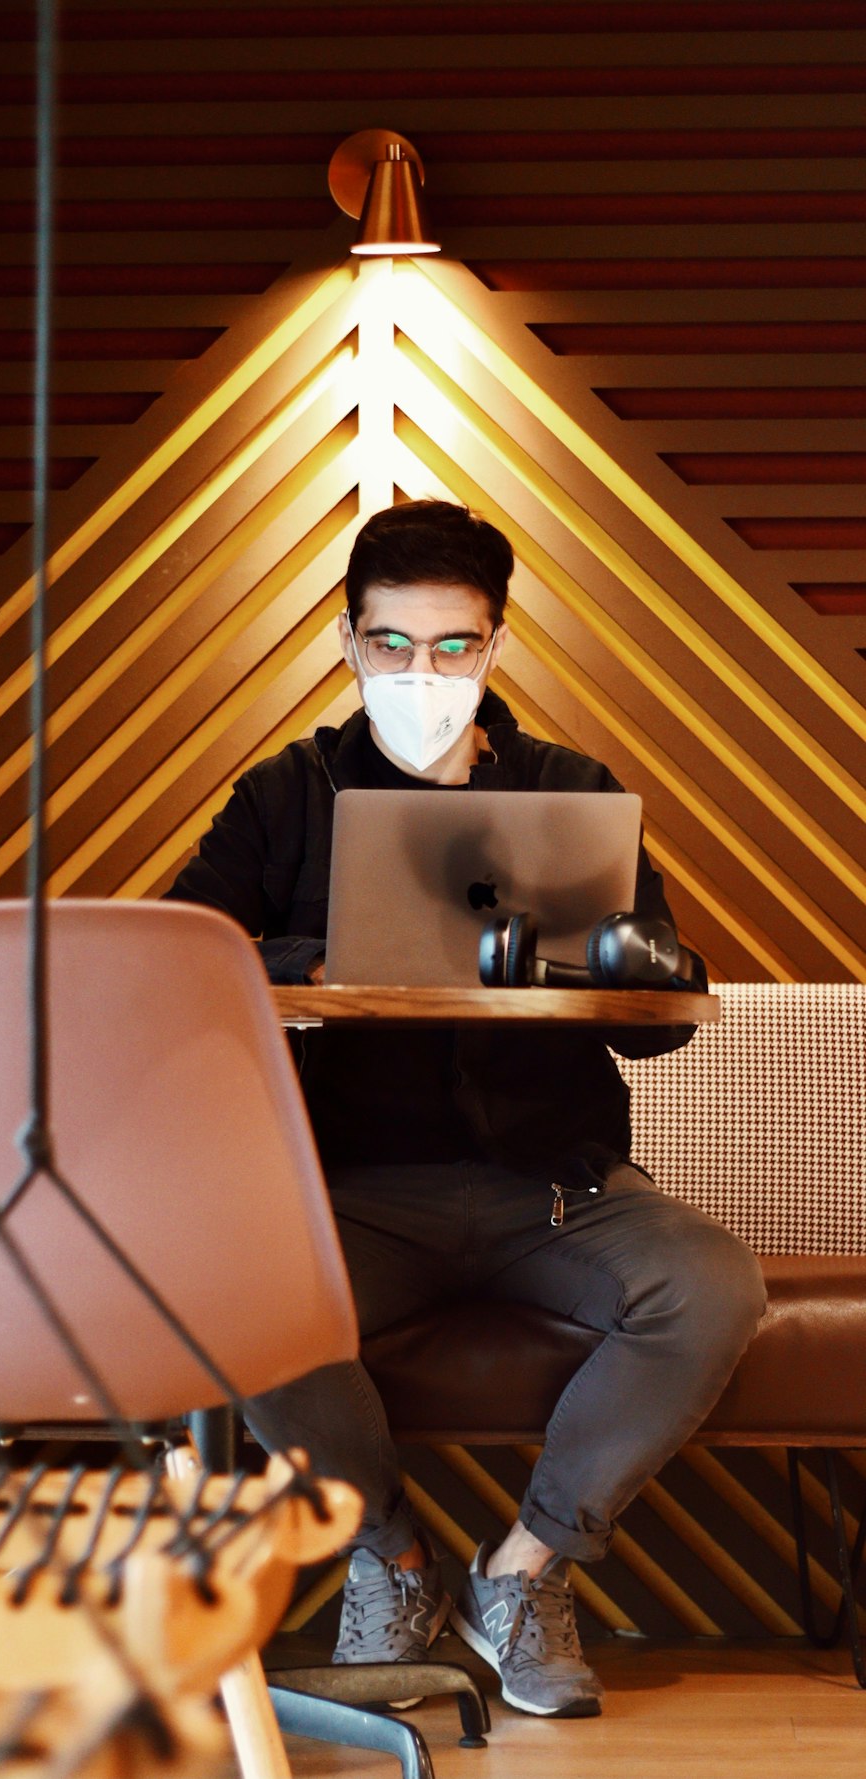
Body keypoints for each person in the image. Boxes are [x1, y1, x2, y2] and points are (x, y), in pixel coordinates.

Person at [165, 499, 767, 1720]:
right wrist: (327, 959)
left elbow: (653, 997)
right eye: (390, 645)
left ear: (492, 648)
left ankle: (522, 1575)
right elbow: (187, 961)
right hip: (346, 1197)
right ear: (348, 645)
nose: (419, 673)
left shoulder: (570, 793)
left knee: (711, 1283)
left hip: (555, 1190)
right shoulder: (284, 797)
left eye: (450, 647)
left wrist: (624, 965)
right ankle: (389, 1563)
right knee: (223, 1286)